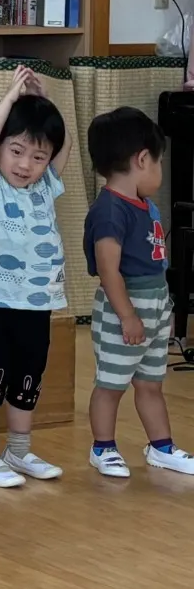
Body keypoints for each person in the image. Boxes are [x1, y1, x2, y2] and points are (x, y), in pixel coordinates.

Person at [0, 65, 70, 487]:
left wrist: (43, 102)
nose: (26, 164)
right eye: (16, 151)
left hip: (38, 304)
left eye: (38, 156)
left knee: (29, 378)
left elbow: (63, 145)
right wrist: (10, 98)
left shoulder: (46, 187)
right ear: (0, 150)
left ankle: (19, 450)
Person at [82, 107, 194, 476]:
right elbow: (108, 269)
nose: (159, 172)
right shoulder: (109, 211)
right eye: (159, 162)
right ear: (142, 159)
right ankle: (103, 448)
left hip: (154, 308)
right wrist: (128, 315)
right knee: (111, 384)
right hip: (124, 313)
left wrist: (161, 311)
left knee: (150, 383)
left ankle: (161, 447)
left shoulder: (143, 205)